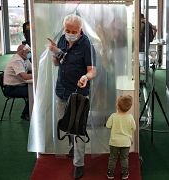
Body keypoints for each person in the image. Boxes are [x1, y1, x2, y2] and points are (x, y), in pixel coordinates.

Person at [48, 14, 96, 179]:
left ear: (80, 30)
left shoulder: (86, 45)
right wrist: (54, 53)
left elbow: (92, 71)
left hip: (78, 94)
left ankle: (79, 163)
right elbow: (57, 64)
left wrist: (85, 77)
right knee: (65, 124)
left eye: (73, 31)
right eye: (67, 30)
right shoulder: (62, 39)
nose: (69, 33)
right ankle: (72, 147)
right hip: (61, 90)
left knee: (78, 129)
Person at [106, 95, 136, 180]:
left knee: (113, 157)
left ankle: (110, 173)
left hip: (114, 142)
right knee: (124, 158)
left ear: (117, 106)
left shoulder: (113, 116)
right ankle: (124, 173)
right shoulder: (130, 117)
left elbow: (108, 126)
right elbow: (134, 128)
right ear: (129, 108)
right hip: (126, 142)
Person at [3, 44, 32, 120]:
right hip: (11, 88)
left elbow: (33, 68)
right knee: (33, 92)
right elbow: (24, 76)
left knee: (34, 89)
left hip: (18, 85)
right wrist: (37, 74)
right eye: (28, 52)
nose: (29, 54)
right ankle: (25, 114)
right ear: (22, 52)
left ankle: (30, 111)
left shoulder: (24, 58)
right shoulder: (16, 60)